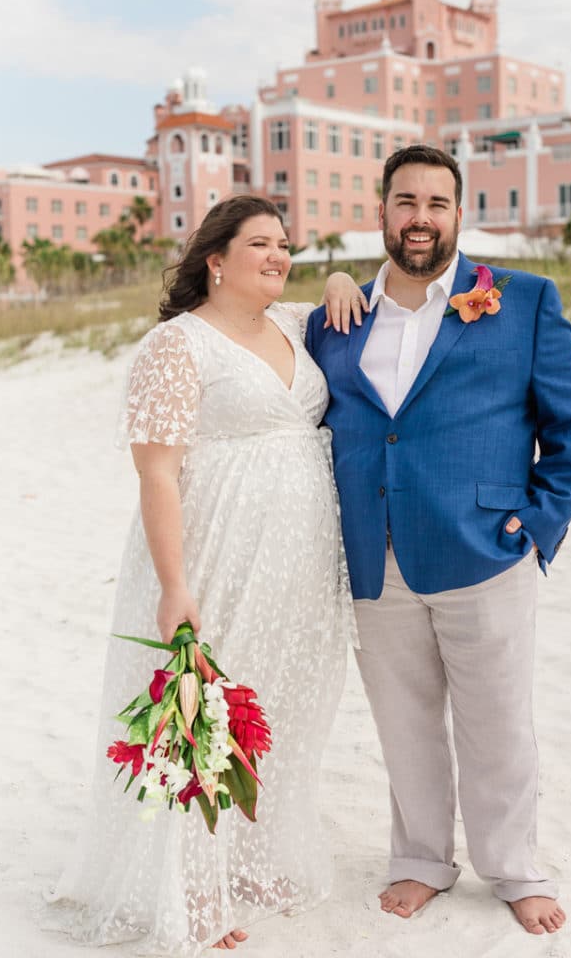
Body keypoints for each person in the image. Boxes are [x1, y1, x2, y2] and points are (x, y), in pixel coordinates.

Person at [47, 195, 366, 953]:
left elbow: (338, 291)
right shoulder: (176, 344)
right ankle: (188, 884)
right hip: (216, 547)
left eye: (285, 244)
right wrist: (174, 584)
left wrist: (341, 276)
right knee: (205, 712)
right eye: (260, 243)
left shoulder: (293, 323)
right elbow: (157, 474)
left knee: (281, 703)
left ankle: (248, 857)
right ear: (215, 259)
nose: (278, 255)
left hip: (301, 554)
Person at [306, 145, 571, 936]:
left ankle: (512, 868)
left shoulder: (522, 300)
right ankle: (421, 860)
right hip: (375, 554)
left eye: (436, 203)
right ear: (380, 212)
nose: (419, 218)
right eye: (404, 202)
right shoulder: (334, 320)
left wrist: (538, 522)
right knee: (403, 724)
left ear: (457, 214)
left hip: (484, 549)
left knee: (497, 723)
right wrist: (332, 282)